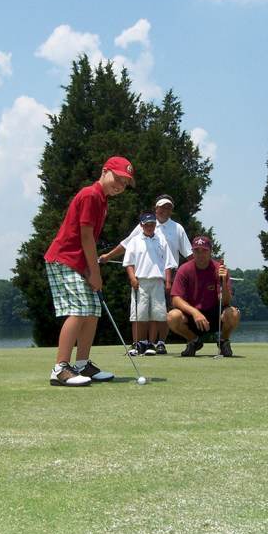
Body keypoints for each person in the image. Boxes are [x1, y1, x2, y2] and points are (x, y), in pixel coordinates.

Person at [44, 155, 135, 386]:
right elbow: (86, 236)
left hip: (78, 261)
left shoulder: (102, 200)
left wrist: (88, 268)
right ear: (105, 171)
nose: (120, 186)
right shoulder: (91, 194)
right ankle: (60, 368)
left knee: (92, 310)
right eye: (118, 178)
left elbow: (88, 238)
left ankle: (82, 364)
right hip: (63, 258)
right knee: (79, 309)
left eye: (125, 184)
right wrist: (95, 272)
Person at [99, 194, 192, 354]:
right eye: (162, 207)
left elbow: (189, 254)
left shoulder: (177, 228)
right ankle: (143, 343)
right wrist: (108, 256)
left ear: (172, 210)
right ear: (156, 208)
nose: (165, 210)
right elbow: (126, 244)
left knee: (162, 311)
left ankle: (160, 342)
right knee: (142, 312)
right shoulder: (142, 227)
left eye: (168, 207)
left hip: (169, 274)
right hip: (144, 275)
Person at [167, 235, 240, 357]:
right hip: (192, 316)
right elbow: (175, 298)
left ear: (210, 251)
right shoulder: (184, 269)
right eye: (197, 250)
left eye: (204, 250)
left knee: (233, 313)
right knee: (172, 317)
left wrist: (223, 281)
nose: (200, 254)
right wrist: (195, 312)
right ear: (193, 252)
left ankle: (223, 341)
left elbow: (226, 301)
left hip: (215, 314)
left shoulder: (219, 269)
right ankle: (194, 341)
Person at [123, 211, 176, 355]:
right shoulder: (134, 241)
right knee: (140, 314)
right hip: (140, 282)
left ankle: (157, 343)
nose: (150, 227)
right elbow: (128, 263)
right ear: (141, 225)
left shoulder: (161, 240)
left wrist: (168, 281)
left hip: (158, 281)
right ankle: (140, 343)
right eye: (147, 224)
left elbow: (168, 263)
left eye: (152, 224)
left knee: (160, 314)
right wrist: (132, 278)